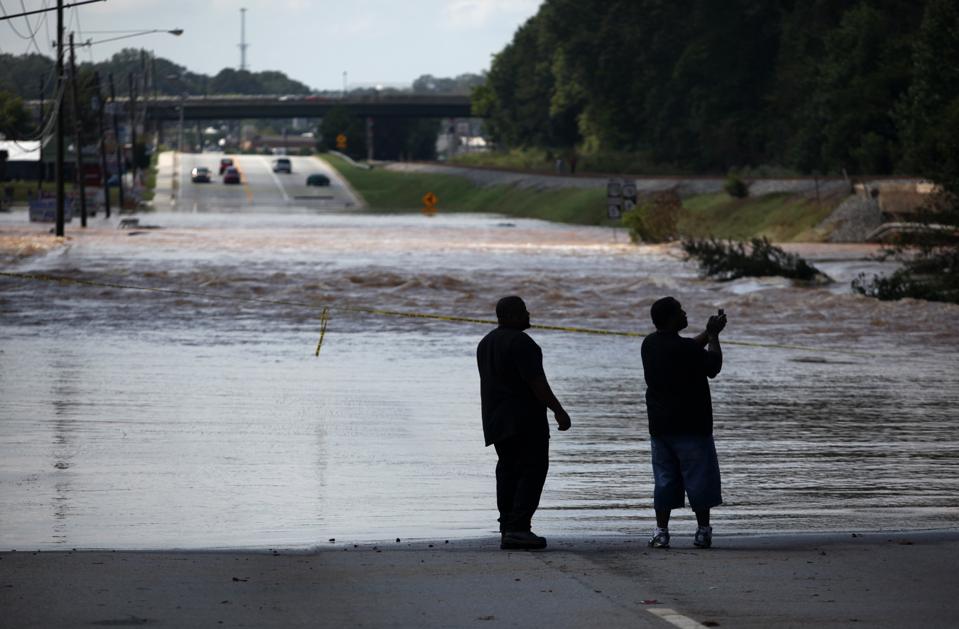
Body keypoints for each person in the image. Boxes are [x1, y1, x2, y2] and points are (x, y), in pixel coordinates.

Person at [477, 296, 572, 550]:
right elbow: (537, 382)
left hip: (496, 420)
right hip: (524, 419)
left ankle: (508, 526)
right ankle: (519, 528)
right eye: (522, 311)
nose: (528, 315)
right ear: (509, 315)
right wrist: (559, 411)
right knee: (532, 470)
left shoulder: (486, 343)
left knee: (508, 471)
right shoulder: (522, 343)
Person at [641, 296, 727, 549]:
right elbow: (713, 366)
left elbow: (687, 348)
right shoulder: (686, 350)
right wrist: (713, 337)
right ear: (670, 318)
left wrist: (708, 332)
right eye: (680, 311)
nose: (685, 313)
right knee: (699, 479)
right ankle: (702, 531)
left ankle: (661, 533)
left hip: (660, 426)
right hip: (692, 425)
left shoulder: (649, 344)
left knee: (665, 480)